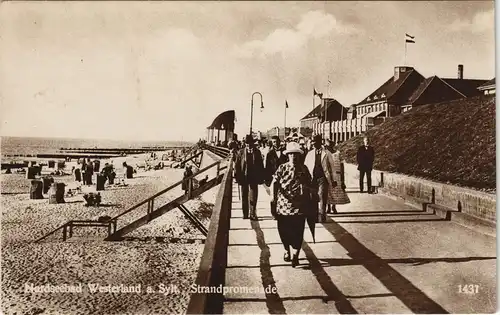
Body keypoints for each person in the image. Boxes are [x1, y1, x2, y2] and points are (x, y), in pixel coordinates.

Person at [271, 141, 312, 267]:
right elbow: (274, 182)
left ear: (299, 156)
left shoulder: (303, 169)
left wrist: (305, 189)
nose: (293, 157)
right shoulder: (282, 168)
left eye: (295, 154)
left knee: (298, 230)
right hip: (283, 205)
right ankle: (286, 250)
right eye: (291, 154)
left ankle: (295, 255)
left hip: (299, 206)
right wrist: (273, 198)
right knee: (283, 230)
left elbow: (310, 184)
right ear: (287, 155)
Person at [304, 134, 338, 223]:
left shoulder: (327, 153)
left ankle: (323, 216)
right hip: (312, 179)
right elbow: (306, 166)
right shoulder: (310, 154)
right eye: (313, 142)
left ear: (320, 142)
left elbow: (332, 167)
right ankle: (315, 216)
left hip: (323, 178)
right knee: (313, 198)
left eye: (315, 142)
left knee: (322, 197)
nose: (313, 144)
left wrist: (334, 179)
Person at [234, 135, 265, 220]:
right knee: (244, 195)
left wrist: (261, 177)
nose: (248, 145)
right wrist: (236, 176)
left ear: (253, 143)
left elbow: (261, 165)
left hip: (254, 177)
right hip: (244, 177)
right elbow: (237, 165)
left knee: (253, 196)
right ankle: (245, 213)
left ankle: (252, 213)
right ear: (245, 143)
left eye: (250, 143)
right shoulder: (241, 152)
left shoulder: (257, 152)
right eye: (247, 143)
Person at [265, 136, 288, 219]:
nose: (275, 143)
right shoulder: (269, 154)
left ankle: (282, 211)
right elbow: (267, 167)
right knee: (273, 196)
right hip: (273, 177)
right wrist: (267, 179)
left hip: (283, 177)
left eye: (276, 141)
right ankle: (274, 213)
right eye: (273, 142)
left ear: (279, 141)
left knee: (283, 195)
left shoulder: (285, 152)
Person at [327, 147, 350, 213]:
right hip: (329, 175)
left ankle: (333, 207)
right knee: (329, 192)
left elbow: (342, 166)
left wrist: (343, 179)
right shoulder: (326, 154)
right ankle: (328, 207)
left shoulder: (338, 154)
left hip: (337, 175)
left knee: (335, 192)